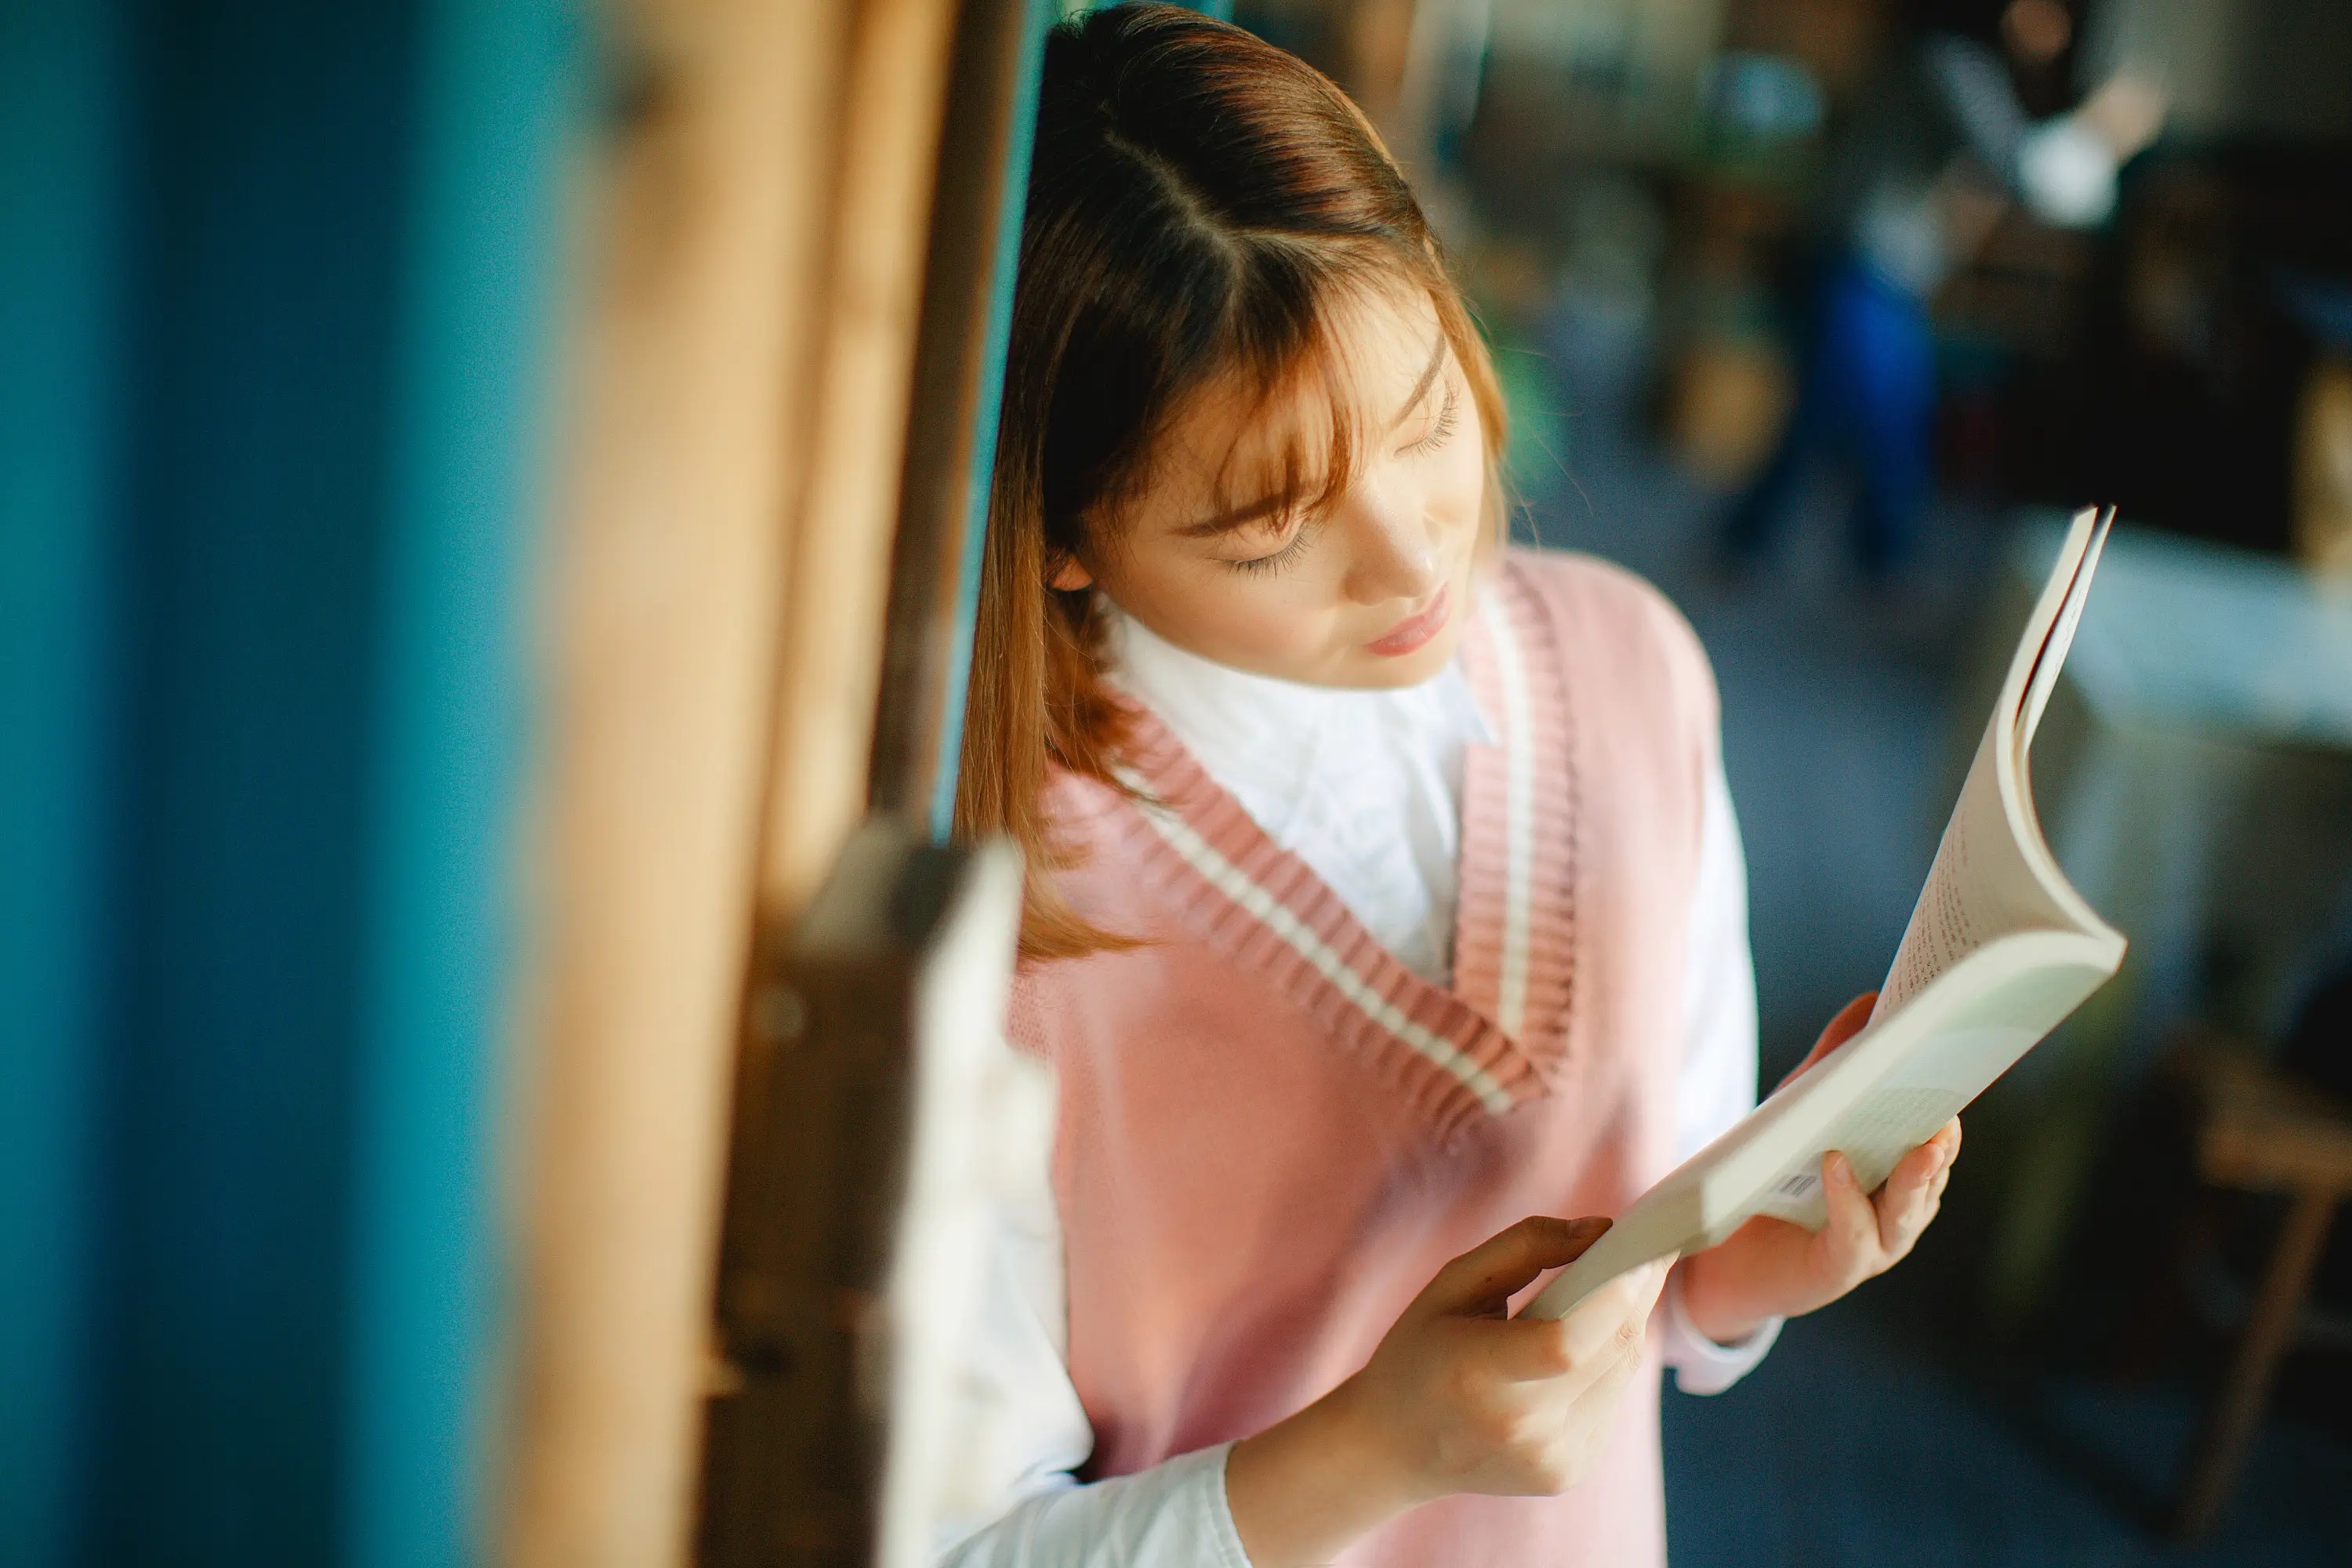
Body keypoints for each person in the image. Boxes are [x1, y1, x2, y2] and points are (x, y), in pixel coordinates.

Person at [939, 9, 1961, 1565]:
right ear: (1067, 536)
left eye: (1421, 421)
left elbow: (1664, 1266)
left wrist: (1757, 1264)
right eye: (1273, 531)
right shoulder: (1008, 916)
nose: (1418, 553)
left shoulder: (1635, 669)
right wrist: (1374, 1450)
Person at [1722, 0, 2165, 583]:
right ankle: (1868, 563)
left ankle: (1757, 546)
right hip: (1862, 261)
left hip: (1878, 267)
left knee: (1829, 413)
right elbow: (2027, 176)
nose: (2050, 32)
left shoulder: (1949, 64)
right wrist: (2108, 126)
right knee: (1891, 420)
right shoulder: (1948, 63)